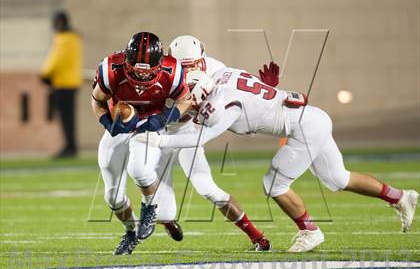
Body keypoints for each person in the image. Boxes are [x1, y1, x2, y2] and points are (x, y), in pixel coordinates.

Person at [138, 67, 419, 252]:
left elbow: (199, 138)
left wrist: (160, 139)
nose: (188, 103)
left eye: (191, 98)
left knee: (273, 183)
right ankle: (400, 196)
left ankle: (310, 231)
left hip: (304, 128)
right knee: (338, 178)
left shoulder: (222, 105)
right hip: (314, 118)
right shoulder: (225, 75)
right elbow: (256, 88)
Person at [139, 35, 273, 251]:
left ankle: (257, 237)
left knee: (207, 189)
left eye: (194, 65)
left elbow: (237, 91)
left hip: (188, 132)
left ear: (202, 59)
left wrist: (265, 89)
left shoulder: (215, 69)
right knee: (155, 193)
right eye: (185, 67)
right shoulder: (161, 73)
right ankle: (167, 220)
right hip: (162, 130)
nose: (191, 70)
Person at [91, 32, 192, 255]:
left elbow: (185, 99)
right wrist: (107, 122)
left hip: (150, 123)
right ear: (126, 60)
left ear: (159, 64)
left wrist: (165, 117)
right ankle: (130, 232)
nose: (139, 74)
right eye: (135, 68)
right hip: (123, 122)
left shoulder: (172, 71)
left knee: (140, 169)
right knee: (112, 196)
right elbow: (97, 100)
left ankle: (150, 206)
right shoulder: (111, 69)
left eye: (146, 70)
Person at [40, 11, 83, 158]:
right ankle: (71, 145)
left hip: (63, 83)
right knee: (69, 117)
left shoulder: (63, 38)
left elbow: (56, 59)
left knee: (65, 118)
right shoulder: (75, 38)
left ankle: (70, 147)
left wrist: (45, 74)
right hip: (72, 83)